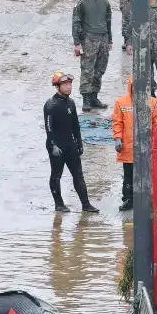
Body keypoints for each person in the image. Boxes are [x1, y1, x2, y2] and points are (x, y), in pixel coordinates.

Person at [43, 72, 98, 214]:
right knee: (56, 175)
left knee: (78, 175)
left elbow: (76, 126)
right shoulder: (51, 105)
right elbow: (48, 128)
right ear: (57, 87)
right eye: (65, 84)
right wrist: (53, 145)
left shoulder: (71, 103)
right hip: (56, 146)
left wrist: (79, 143)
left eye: (70, 84)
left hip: (70, 145)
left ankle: (86, 204)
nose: (69, 87)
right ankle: (59, 204)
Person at [111, 76, 157, 212]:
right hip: (128, 146)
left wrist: (156, 142)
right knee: (128, 175)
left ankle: (146, 199)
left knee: (147, 175)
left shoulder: (153, 102)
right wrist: (117, 139)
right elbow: (117, 123)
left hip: (147, 147)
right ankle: (128, 199)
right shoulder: (121, 103)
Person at [72, 0, 112, 111]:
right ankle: (86, 99)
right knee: (87, 70)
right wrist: (77, 43)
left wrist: (109, 41)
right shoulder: (82, 2)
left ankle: (94, 96)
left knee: (100, 69)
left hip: (103, 39)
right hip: (88, 39)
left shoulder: (105, 2)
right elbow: (76, 23)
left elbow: (108, 22)